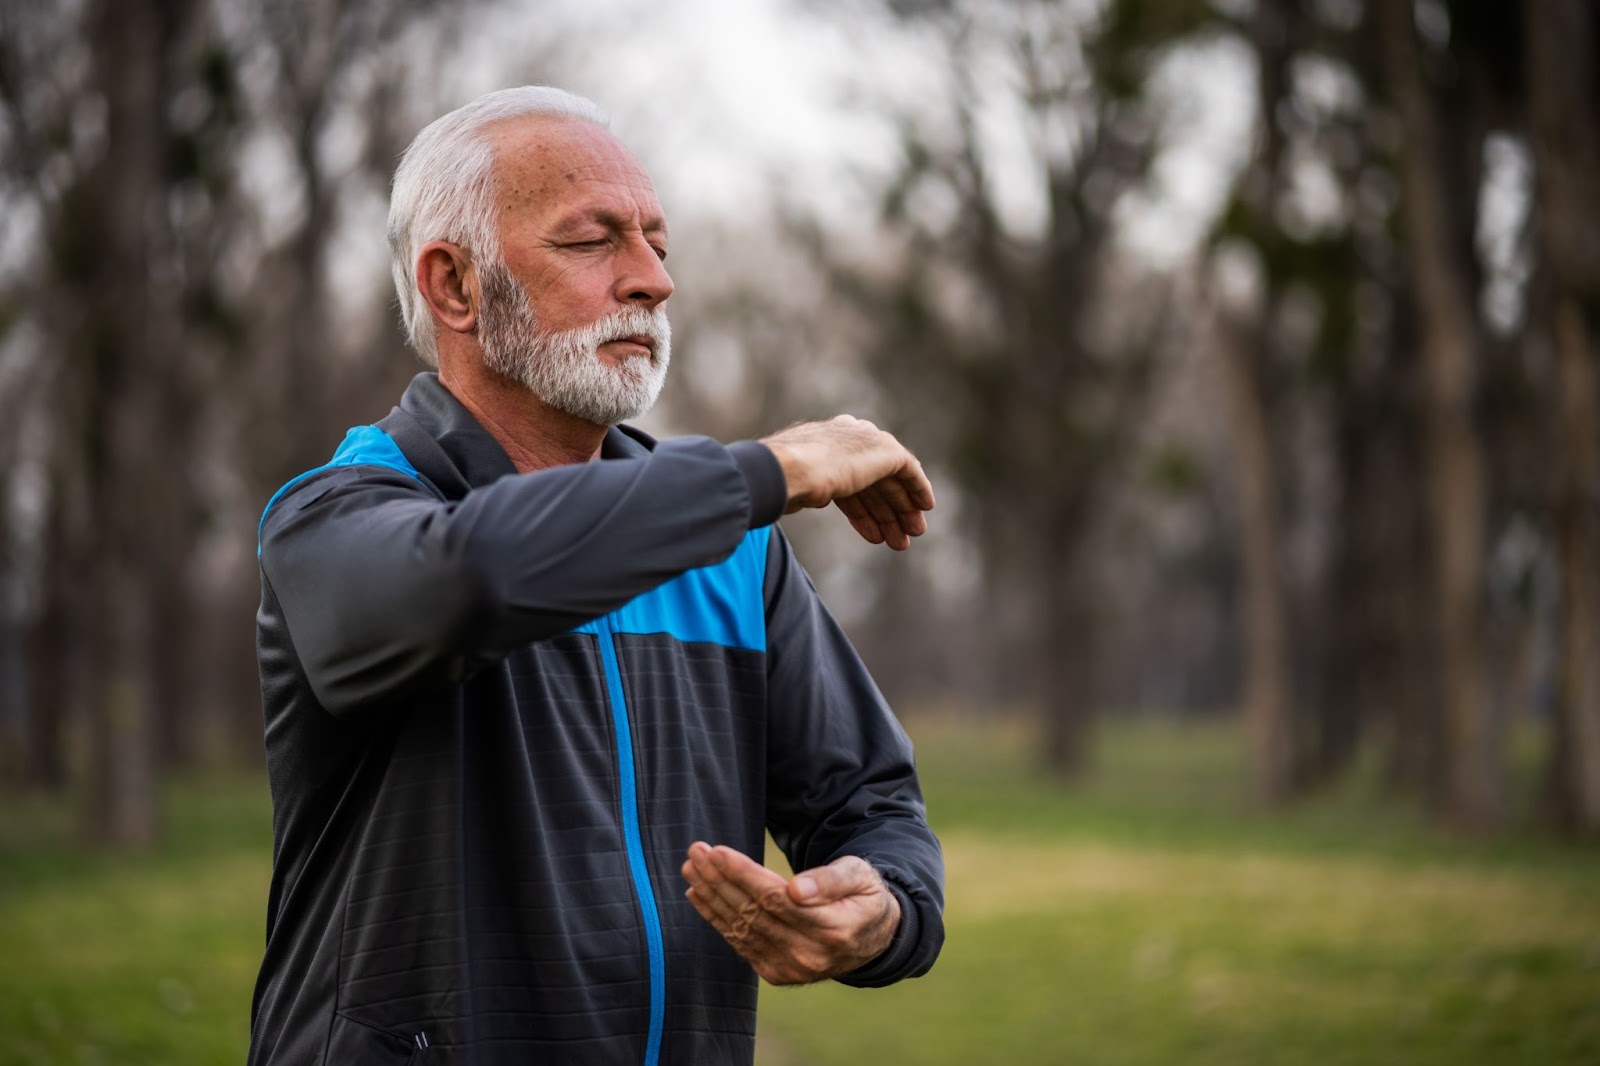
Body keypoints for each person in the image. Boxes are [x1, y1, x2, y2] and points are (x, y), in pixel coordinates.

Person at [248, 85, 945, 1066]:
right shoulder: (333, 520)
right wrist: (769, 469)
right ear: (454, 286)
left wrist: (879, 908)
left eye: (659, 242)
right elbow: (473, 580)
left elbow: (870, 804)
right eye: (593, 240)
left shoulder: (734, 550)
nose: (652, 280)